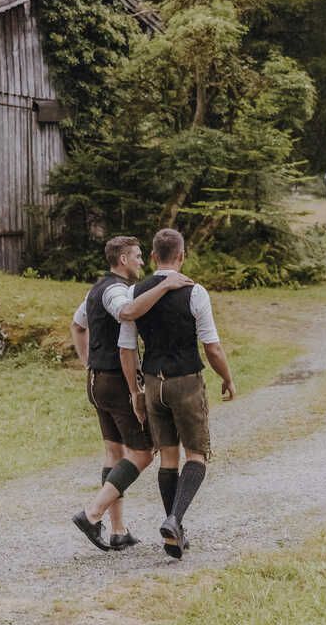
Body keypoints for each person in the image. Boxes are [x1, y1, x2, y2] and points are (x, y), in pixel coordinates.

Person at [71, 235, 193, 552]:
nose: (142, 261)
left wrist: (86, 361)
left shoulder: (94, 289)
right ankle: (92, 513)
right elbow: (127, 313)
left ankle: (118, 530)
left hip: (96, 381)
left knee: (114, 454)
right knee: (143, 451)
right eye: (137, 256)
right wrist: (165, 286)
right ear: (123, 259)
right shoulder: (115, 290)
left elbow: (77, 324)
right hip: (115, 381)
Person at [119, 228, 235, 559]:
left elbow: (127, 348)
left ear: (154, 256)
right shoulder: (195, 292)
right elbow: (211, 347)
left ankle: (174, 533)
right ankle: (174, 519)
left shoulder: (135, 293)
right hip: (186, 380)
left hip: (154, 383)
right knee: (196, 454)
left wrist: (135, 391)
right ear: (182, 256)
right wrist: (227, 378)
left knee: (168, 458)